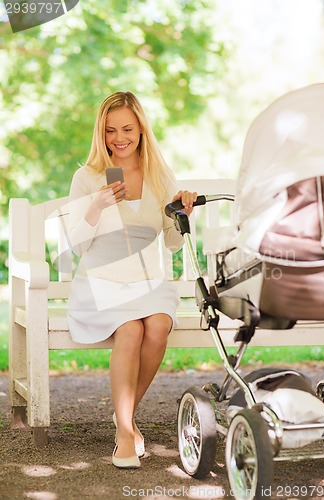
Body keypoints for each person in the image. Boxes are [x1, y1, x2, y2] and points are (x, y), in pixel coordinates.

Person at [67, 91, 197, 469]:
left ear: (141, 129)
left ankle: (124, 414)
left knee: (157, 324)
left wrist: (183, 214)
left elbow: (173, 245)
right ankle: (126, 430)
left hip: (147, 282)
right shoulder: (88, 177)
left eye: (127, 128)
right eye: (110, 130)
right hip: (100, 282)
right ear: (101, 133)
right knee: (130, 329)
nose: (118, 138)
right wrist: (97, 205)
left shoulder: (159, 175)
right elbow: (76, 247)